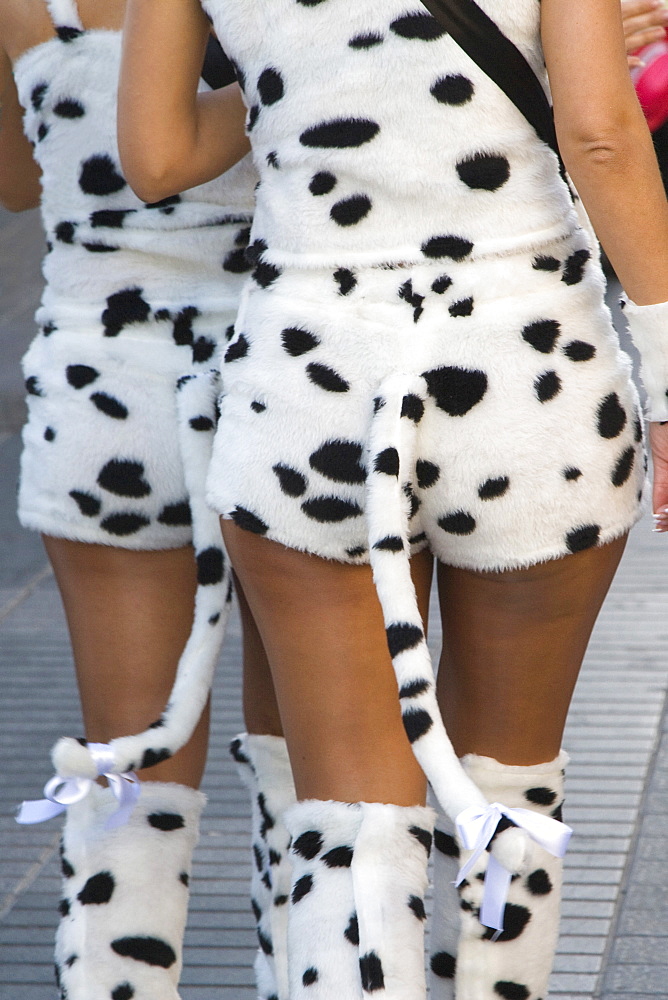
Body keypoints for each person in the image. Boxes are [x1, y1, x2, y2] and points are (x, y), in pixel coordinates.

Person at [114, 1, 668, 999]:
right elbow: (598, 131)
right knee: (509, 788)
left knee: (351, 823)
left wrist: (308, 71)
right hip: (528, 375)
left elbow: (153, 157)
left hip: (309, 383)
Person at [0, 2, 296, 998]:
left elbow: (13, 181)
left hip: (104, 385)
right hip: (292, 375)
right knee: (315, 763)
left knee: (123, 759)